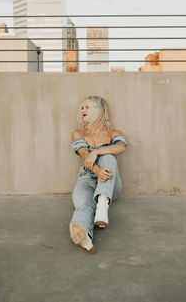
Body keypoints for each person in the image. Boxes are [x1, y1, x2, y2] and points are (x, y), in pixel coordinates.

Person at [69, 95, 127, 253]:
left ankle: (102, 204)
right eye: (82, 107)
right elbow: (82, 153)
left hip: (110, 182)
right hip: (86, 179)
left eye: (87, 107)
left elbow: (121, 147)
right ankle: (84, 236)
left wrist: (96, 153)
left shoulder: (112, 133)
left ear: (98, 110)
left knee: (108, 158)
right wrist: (96, 169)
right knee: (83, 205)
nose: (83, 110)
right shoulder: (78, 134)